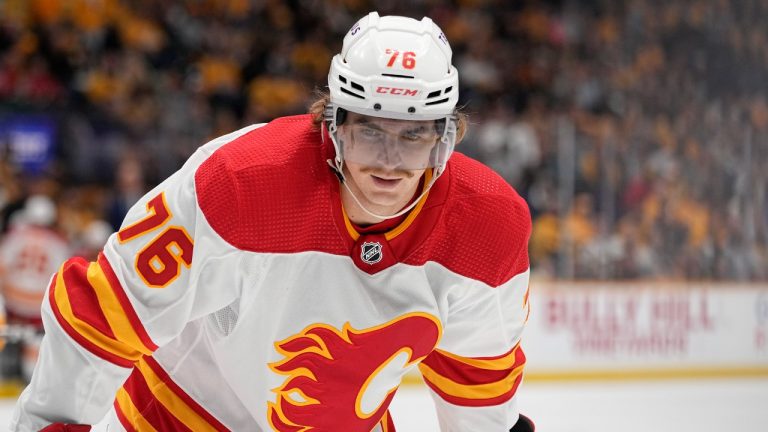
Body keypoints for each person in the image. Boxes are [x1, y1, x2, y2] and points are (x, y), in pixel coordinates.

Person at [12, 12, 534, 432]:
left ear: (446, 137)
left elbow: (477, 379)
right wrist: (48, 424)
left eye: (413, 135)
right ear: (335, 124)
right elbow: (107, 308)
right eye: (370, 131)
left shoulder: (488, 225)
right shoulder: (240, 181)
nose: (389, 161)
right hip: (180, 413)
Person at [0, 195, 71, 383]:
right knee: (35, 342)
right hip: (37, 304)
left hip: (13, 301)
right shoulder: (58, 243)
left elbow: (2, 267)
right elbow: (62, 276)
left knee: (9, 334)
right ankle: (30, 379)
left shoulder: (15, 236)